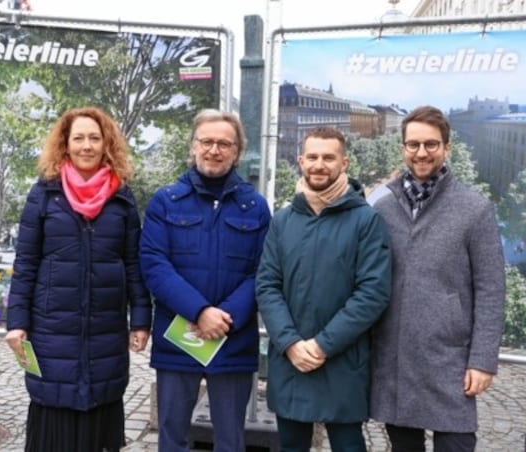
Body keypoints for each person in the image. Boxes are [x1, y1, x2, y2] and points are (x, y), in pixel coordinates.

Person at [5, 106, 151, 452]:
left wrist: (141, 320)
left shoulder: (122, 198)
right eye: (79, 138)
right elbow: (26, 263)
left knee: (101, 405)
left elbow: (133, 262)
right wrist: (16, 322)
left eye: (95, 138)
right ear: (65, 145)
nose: (87, 145)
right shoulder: (44, 194)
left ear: (106, 144)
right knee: (54, 412)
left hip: (106, 329)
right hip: (52, 327)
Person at [369, 105, 506, 452]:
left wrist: (482, 360)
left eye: (431, 144)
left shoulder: (474, 208)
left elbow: (491, 289)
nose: (421, 153)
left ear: (447, 148)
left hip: (450, 358)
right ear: (402, 148)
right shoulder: (382, 207)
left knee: (457, 444)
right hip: (396, 356)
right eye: (413, 145)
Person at [139, 109, 270, 452]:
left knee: (230, 440)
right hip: (179, 337)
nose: (214, 150)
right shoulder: (165, 202)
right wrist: (199, 312)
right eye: (207, 141)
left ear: (237, 151)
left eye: (224, 143)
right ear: (193, 147)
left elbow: (263, 271)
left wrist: (224, 317)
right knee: (173, 438)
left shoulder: (255, 207)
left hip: (232, 338)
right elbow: (154, 265)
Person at [255, 126, 392, 451]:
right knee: (290, 445)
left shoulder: (366, 221)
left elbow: (372, 293)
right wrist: (290, 343)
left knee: (348, 445)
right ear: (300, 160)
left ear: (344, 163)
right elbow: (267, 284)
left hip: (342, 360)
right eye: (312, 157)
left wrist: (322, 346)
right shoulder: (283, 221)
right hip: (291, 359)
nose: (319, 164)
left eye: (328, 157)